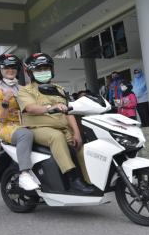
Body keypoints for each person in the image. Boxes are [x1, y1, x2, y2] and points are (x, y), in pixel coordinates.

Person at [17, 53, 94, 194]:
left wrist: (76, 133)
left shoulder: (58, 89)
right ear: (30, 72)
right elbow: (30, 108)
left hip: (63, 127)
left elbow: (68, 112)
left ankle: (89, 181)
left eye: (46, 68)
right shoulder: (24, 91)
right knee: (56, 137)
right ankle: (73, 179)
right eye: (39, 69)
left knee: (81, 145)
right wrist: (49, 108)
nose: (43, 72)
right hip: (39, 129)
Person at [0, 54, 38, 191]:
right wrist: (5, 101)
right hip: (7, 127)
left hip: (26, 123)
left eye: (13, 67)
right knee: (25, 135)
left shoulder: (21, 88)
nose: (11, 70)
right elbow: (1, 119)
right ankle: (24, 174)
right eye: (6, 67)